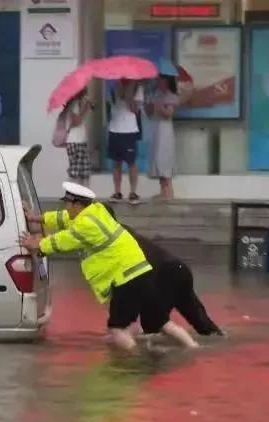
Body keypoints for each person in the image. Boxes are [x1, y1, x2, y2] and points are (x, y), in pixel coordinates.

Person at [19, 181, 199, 352]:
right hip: (142, 272)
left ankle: (137, 359)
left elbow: (61, 241)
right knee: (162, 323)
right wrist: (36, 218)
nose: (66, 207)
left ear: (76, 204)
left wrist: (35, 244)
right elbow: (63, 218)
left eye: (67, 203)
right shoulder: (96, 211)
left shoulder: (85, 225)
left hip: (126, 279)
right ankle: (193, 349)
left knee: (117, 329)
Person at [103, 204, 223, 336]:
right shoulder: (122, 231)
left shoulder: (111, 239)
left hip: (164, 275)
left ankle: (180, 349)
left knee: (154, 325)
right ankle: (216, 342)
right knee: (203, 325)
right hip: (178, 269)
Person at [108, 79, 144, 204]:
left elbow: (135, 110)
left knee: (131, 162)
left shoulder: (137, 89)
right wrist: (119, 90)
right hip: (114, 129)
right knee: (116, 162)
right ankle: (117, 192)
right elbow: (112, 105)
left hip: (129, 130)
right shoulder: (113, 88)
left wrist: (128, 93)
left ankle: (133, 193)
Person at [147, 74, 179, 200]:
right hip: (156, 128)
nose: (159, 83)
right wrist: (149, 106)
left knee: (164, 158)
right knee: (157, 158)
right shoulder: (156, 95)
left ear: (167, 82)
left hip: (165, 130)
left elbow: (168, 114)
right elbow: (150, 114)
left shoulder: (171, 96)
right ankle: (162, 190)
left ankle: (169, 191)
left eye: (161, 81)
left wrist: (159, 105)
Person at [63, 88, 94, 186]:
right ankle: (71, 196)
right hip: (75, 141)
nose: (86, 93)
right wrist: (86, 108)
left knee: (84, 172)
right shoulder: (73, 104)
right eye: (85, 91)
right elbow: (76, 121)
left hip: (81, 141)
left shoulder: (79, 103)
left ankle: (82, 197)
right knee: (75, 171)